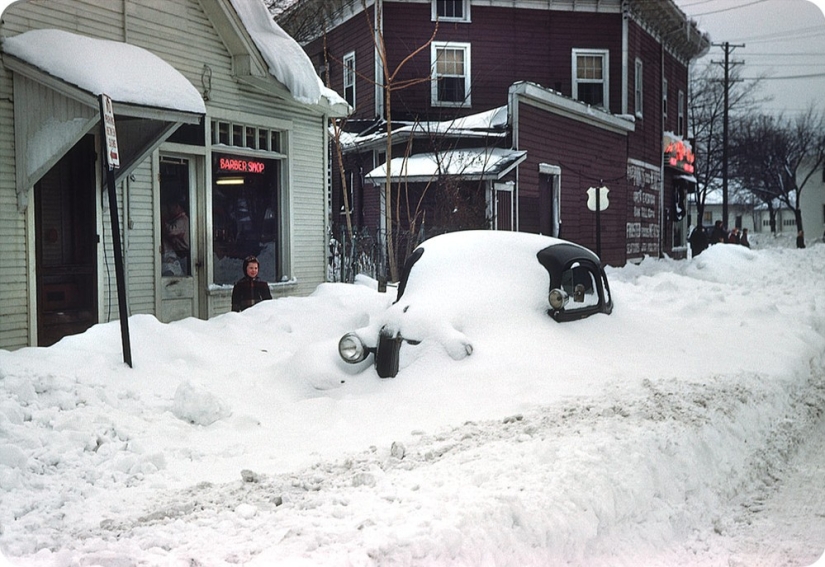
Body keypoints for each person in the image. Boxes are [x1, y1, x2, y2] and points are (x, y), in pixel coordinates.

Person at [162, 200, 190, 276]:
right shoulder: (178, 219)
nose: (170, 210)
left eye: (171, 208)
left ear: (177, 207)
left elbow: (171, 231)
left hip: (183, 254)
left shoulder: (182, 220)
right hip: (180, 254)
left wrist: (163, 221)